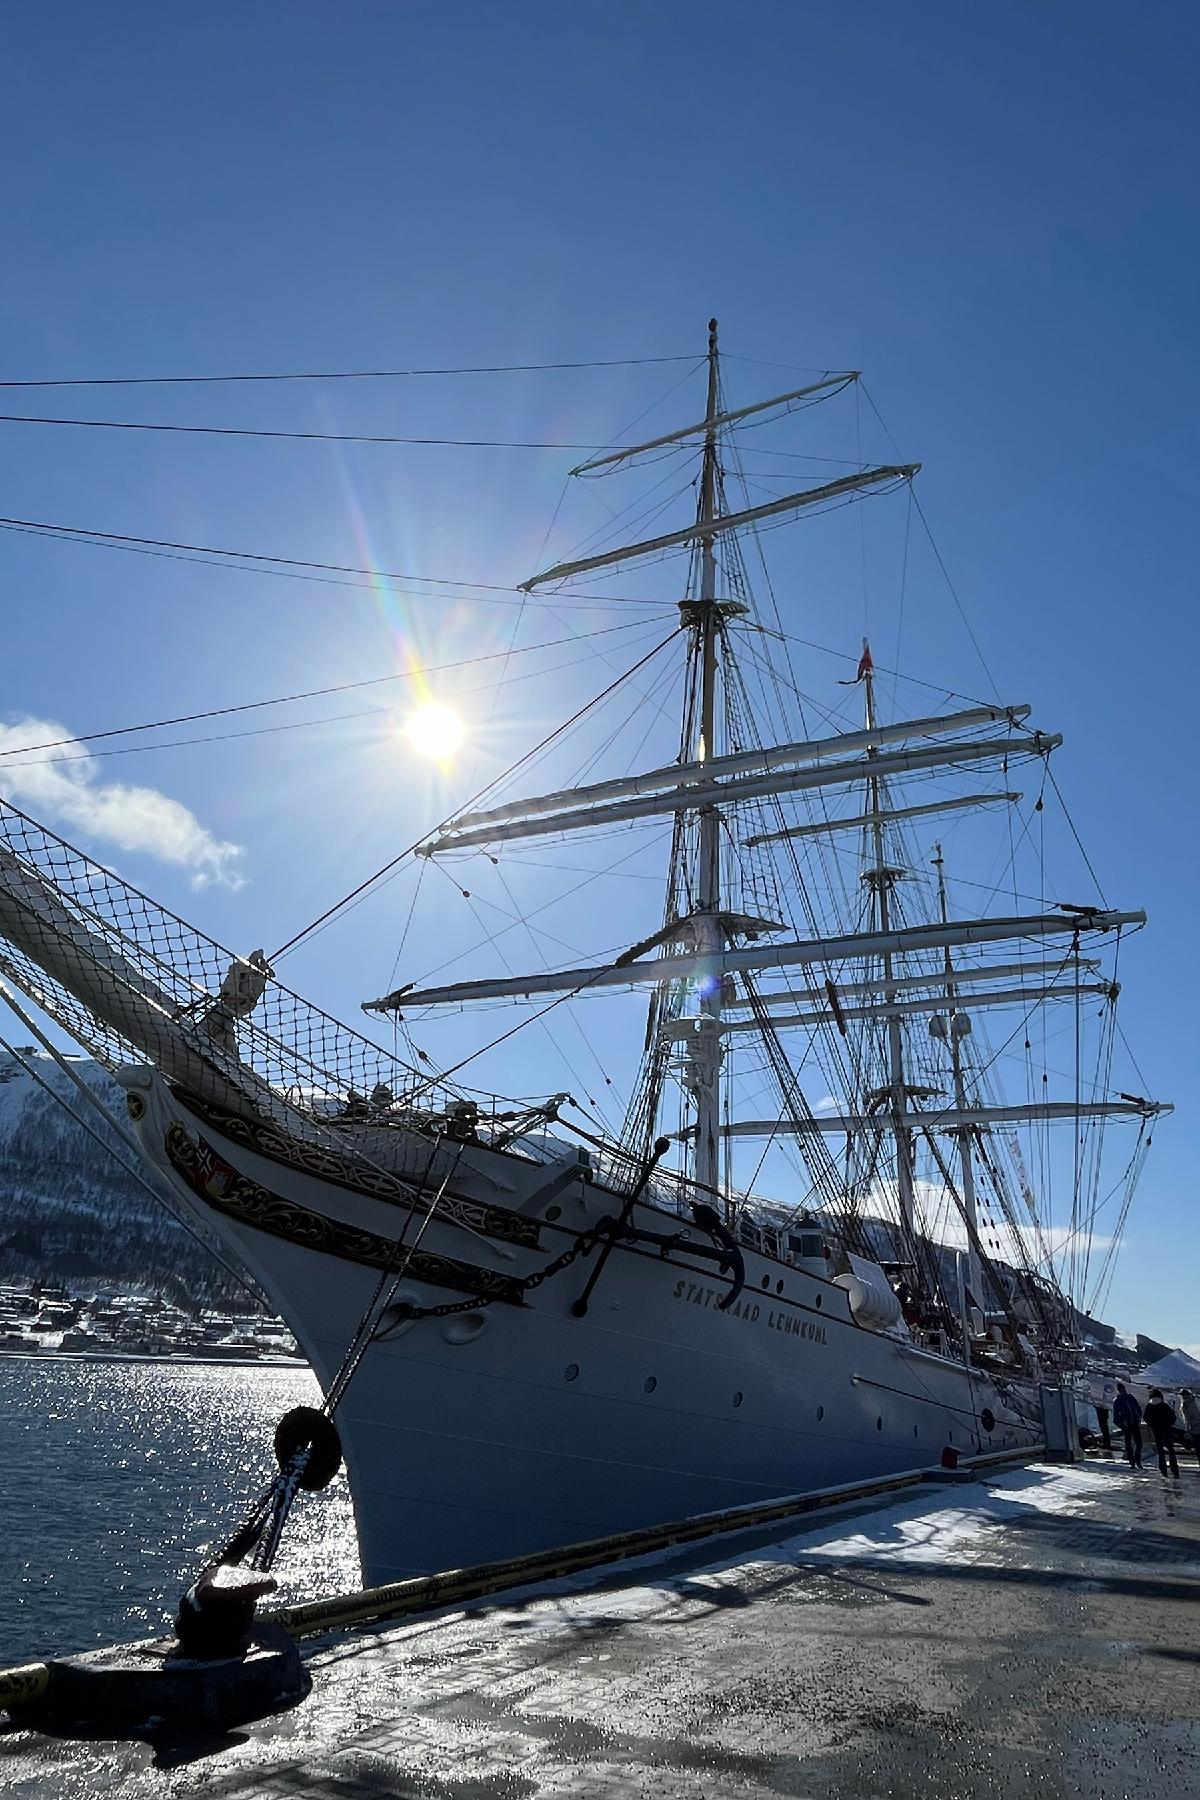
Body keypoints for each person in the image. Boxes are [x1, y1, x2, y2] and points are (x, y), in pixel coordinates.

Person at [1142, 1388, 1180, 1478]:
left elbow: (1146, 1418)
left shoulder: (1149, 1406)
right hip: (1167, 1429)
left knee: (1160, 1451)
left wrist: (1152, 1424)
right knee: (1171, 1450)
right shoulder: (1164, 1405)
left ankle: (1163, 1469)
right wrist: (1169, 1424)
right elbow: (1173, 1417)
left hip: (1156, 1430)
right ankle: (1174, 1469)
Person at [1112, 1382, 1144, 1469]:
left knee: (1139, 1443)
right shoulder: (1117, 1401)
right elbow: (1116, 1416)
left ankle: (1137, 1459)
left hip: (1135, 1422)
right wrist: (1122, 1424)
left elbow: (1137, 1408)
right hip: (1127, 1425)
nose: (1122, 1391)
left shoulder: (1130, 1397)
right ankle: (1132, 1462)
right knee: (1128, 1444)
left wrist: (1139, 1417)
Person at [1180, 1389, 1200, 1468]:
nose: (1183, 1397)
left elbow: (1197, 1417)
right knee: (1197, 1450)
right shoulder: (1185, 1404)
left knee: (1198, 1449)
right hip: (1192, 1430)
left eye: (1183, 1395)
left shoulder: (1191, 1404)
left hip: (1197, 1429)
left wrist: (1191, 1424)